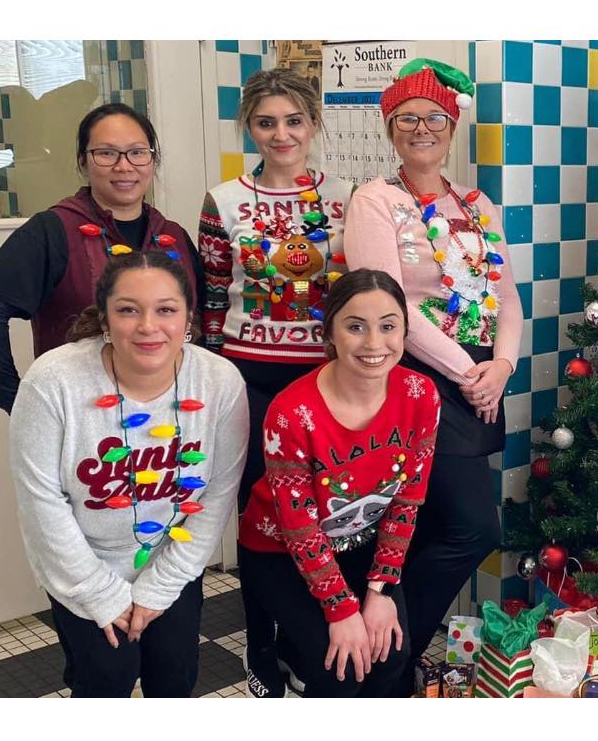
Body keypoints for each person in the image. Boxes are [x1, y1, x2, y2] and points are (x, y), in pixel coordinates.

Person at [342, 58, 522, 676]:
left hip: (482, 379)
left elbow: (506, 297)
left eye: (435, 118)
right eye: (407, 119)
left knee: (435, 524)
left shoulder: (475, 203)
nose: (422, 129)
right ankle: (388, 655)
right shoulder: (376, 200)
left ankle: (392, 658)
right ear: (390, 130)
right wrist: (469, 374)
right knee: (471, 528)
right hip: (420, 380)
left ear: (452, 127)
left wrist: (502, 365)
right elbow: (385, 305)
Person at [9, 251, 248, 697]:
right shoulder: (53, 381)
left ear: (188, 317)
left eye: (166, 310)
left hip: (172, 557)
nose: (148, 326)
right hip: (81, 564)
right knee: (107, 678)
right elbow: (41, 501)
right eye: (128, 310)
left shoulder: (219, 381)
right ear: (104, 317)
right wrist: (98, 593)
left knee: (174, 675)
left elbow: (218, 493)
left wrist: (162, 585)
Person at [198, 67, 350, 697]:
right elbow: (212, 298)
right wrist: (208, 381)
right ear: (249, 128)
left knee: (325, 512)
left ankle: (307, 638)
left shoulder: (347, 196)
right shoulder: (223, 201)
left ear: (313, 124)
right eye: (266, 123)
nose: (281, 134)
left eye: (293, 121)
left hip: (326, 378)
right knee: (260, 517)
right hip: (248, 377)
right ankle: (260, 642)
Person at [237, 269, 440, 697]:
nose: (374, 343)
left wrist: (380, 590)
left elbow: (407, 499)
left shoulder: (421, 395)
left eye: (388, 326)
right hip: (280, 550)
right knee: (339, 668)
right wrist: (341, 609)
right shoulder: (291, 413)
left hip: (360, 541)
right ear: (329, 332)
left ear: (405, 331)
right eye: (355, 327)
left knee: (391, 657)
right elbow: (299, 528)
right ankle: (280, 652)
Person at [0, 103, 202, 414]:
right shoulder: (53, 230)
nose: (124, 166)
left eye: (137, 152)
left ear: (153, 160)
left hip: (171, 414)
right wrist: (19, 401)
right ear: (83, 162)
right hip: (82, 416)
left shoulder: (173, 235)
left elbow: (200, 321)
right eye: (106, 153)